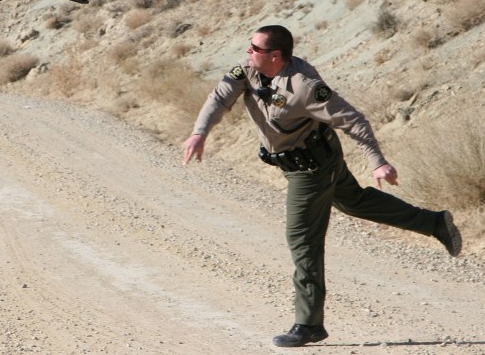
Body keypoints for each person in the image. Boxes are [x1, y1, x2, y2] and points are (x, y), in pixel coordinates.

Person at [183, 24, 462, 348]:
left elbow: (353, 119)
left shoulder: (304, 86)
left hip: (312, 168)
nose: (248, 52)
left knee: (302, 239)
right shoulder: (249, 70)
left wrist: (377, 161)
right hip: (300, 162)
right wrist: (199, 132)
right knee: (354, 201)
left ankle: (309, 324)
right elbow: (219, 97)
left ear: (275, 56)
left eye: (254, 48)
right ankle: (435, 223)